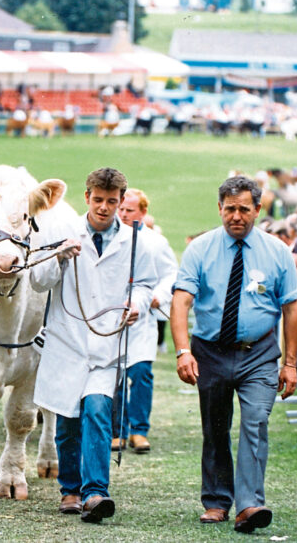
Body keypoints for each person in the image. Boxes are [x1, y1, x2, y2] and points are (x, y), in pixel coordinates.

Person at [170, 175, 297, 533]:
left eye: (244, 209)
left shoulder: (276, 252)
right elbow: (181, 301)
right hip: (210, 351)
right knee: (215, 427)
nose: (236, 216)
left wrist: (290, 363)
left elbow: (292, 307)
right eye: (230, 209)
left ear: (258, 210)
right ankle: (216, 501)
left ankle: (249, 504)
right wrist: (183, 351)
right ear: (219, 209)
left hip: (259, 353)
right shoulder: (200, 249)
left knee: (256, 422)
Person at [30, 168, 158, 523]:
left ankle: (96, 492)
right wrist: (58, 257)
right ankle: (70, 490)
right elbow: (38, 282)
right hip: (67, 341)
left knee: (99, 411)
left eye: (112, 202)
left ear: (121, 202)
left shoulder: (135, 241)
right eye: (98, 200)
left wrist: (137, 303)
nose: (104, 208)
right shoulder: (62, 233)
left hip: (106, 343)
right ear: (87, 197)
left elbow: (146, 284)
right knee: (68, 420)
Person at [112, 188, 178, 453]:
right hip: (111, 318)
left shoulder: (154, 242)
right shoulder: (109, 237)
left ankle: (139, 430)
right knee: (113, 375)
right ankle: (116, 430)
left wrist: (158, 297)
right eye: (121, 209)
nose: (124, 214)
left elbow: (170, 274)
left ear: (143, 212)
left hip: (143, 320)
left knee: (140, 373)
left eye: (130, 210)